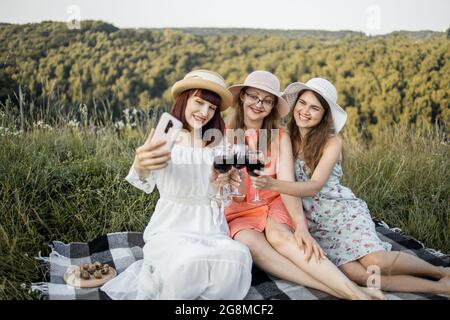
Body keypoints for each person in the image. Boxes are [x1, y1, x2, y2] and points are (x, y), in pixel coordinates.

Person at [252, 77, 450, 295]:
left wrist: (273, 184)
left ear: (324, 115)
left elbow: (314, 186)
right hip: (315, 223)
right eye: (302, 103)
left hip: (341, 212)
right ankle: (439, 286)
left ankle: (438, 271)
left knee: (376, 261)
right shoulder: (286, 138)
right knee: (358, 275)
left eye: (314, 108)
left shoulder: (332, 142)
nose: (305, 111)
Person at [224, 71, 384, 300]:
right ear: (242, 97)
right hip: (241, 210)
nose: (259, 104)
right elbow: (233, 194)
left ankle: (356, 294)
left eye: (267, 100)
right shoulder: (225, 134)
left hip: (274, 201)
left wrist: (301, 226)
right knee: (250, 244)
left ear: (272, 106)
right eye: (253, 96)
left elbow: (287, 183)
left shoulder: (280, 136)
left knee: (281, 237)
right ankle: (351, 291)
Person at [101, 70, 252, 300]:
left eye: (211, 108)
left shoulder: (219, 143)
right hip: (171, 226)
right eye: (199, 102)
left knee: (238, 258)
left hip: (210, 227)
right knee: (189, 261)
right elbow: (142, 179)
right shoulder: (167, 135)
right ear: (184, 100)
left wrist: (220, 183)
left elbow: (224, 196)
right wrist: (140, 163)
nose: (204, 112)